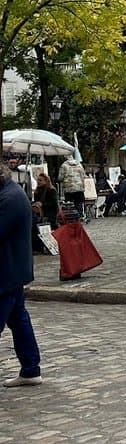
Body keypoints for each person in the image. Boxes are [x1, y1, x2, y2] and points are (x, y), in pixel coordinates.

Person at [0, 161, 43, 387]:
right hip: (12, 270)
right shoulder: (10, 193)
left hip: (6, 272)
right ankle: (30, 369)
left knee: (17, 320)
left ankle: (30, 368)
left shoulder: (10, 198)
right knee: (19, 321)